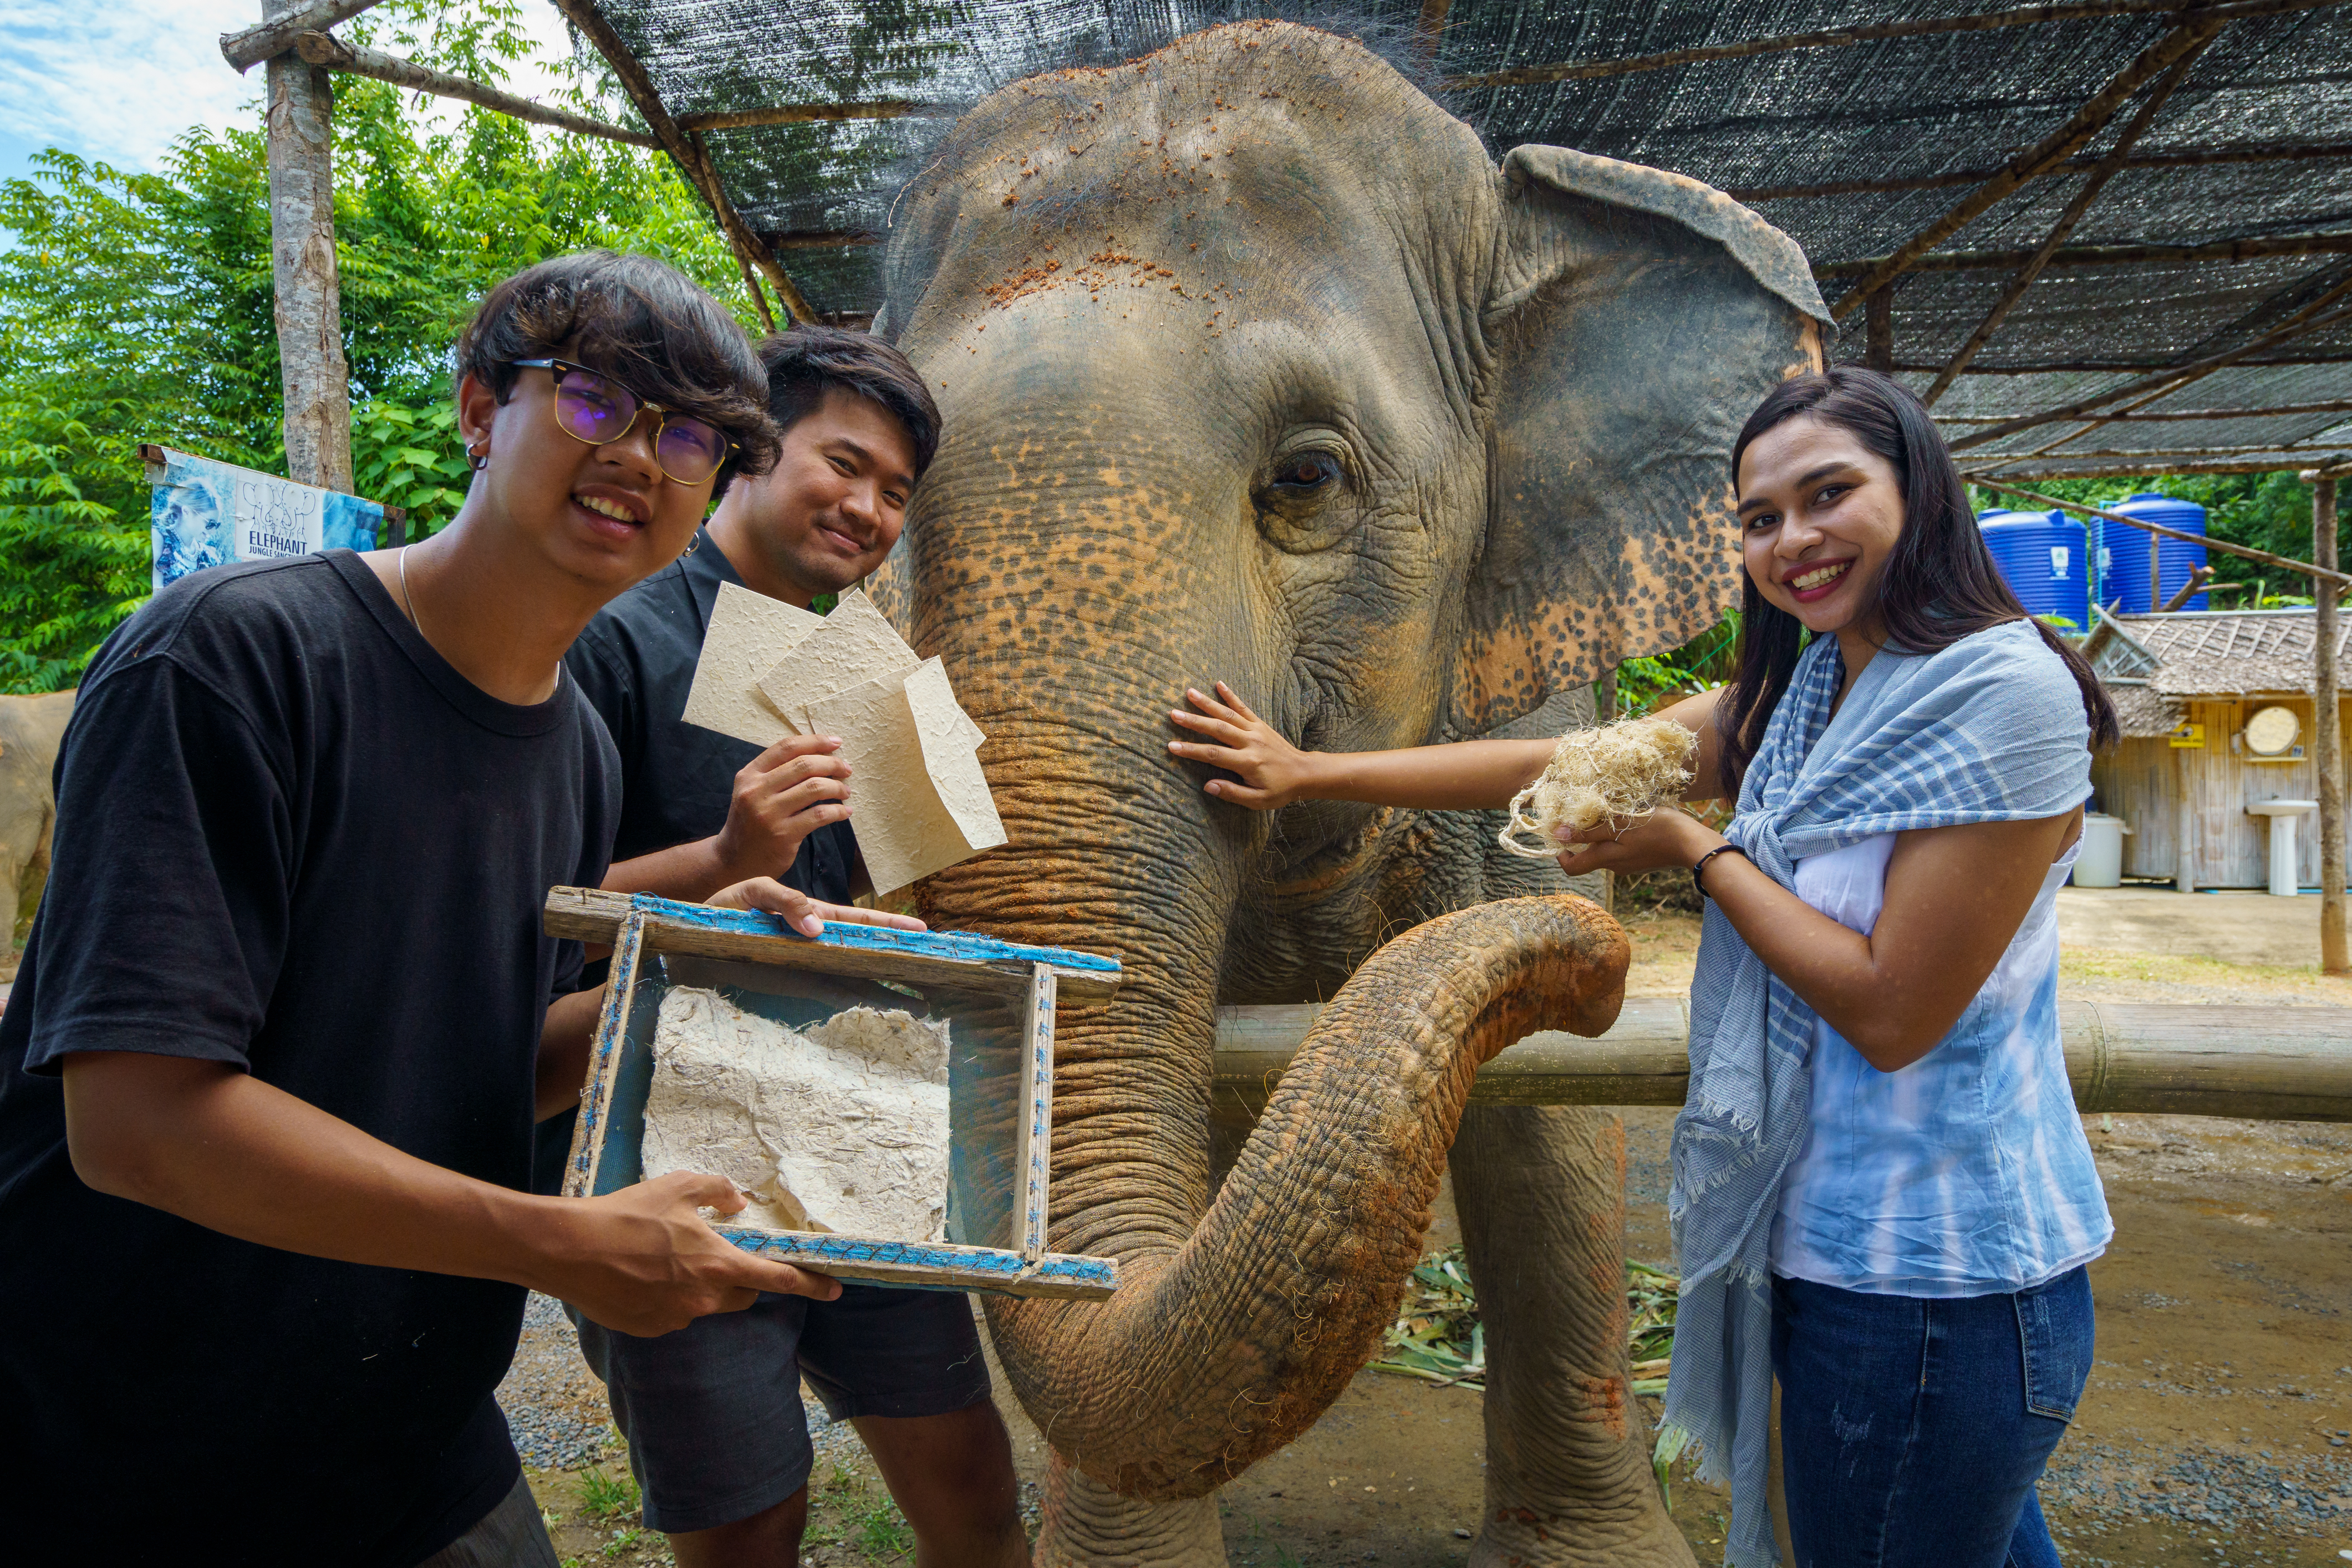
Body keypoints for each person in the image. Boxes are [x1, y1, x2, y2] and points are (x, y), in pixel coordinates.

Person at [0, 251, 920, 1567]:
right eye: (598, 402)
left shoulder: (571, 748)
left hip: (411, 1423)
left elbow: (496, 1052)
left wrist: (728, 975)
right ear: (484, 410)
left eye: (687, 436)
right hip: (135, 1438)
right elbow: (136, 1120)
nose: (642, 460)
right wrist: (561, 1242)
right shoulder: (230, 660)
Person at [1163, 366, 2117, 1568]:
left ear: (1919, 488)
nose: (1794, 540)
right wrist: (1310, 773)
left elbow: (1891, 1009)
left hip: (1941, 1282)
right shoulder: (1811, 687)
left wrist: (1691, 849)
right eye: (1761, 518)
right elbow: (1577, 757)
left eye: (1829, 495)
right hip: (1821, 1245)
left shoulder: (2003, 692)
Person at [556, 324, 1029, 1568]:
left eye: (895, 493)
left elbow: (870, 895)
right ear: (755, 449)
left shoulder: (863, 657)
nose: (869, 508)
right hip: (671, 1150)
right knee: (748, 1516)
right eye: (845, 463)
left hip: (858, 1118)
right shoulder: (614, 634)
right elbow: (533, 903)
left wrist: (894, 913)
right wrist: (722, 856)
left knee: (974, 1484)